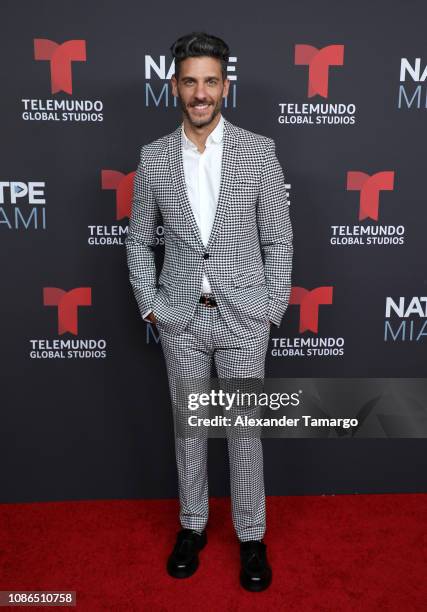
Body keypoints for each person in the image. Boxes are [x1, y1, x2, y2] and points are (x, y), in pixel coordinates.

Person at [125, 31, 293, 592]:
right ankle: (192, 527)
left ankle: (251, 538)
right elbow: (138, 240)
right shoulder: (152, 158)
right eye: (190, 81)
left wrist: (269, 306)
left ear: (225, 85)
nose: (200, 93)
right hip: (181, 319)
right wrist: (152, 306)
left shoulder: (258, 151)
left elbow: (279, 239)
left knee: (245, 431)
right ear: (175, 86)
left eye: (211, 81)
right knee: (189, 429)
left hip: (244, 315)